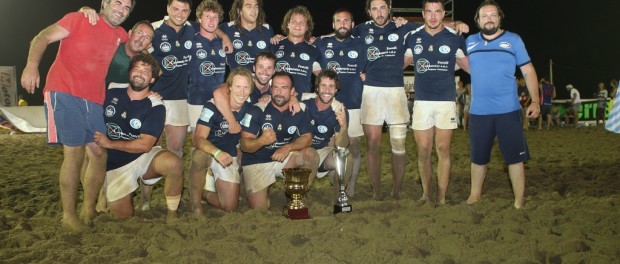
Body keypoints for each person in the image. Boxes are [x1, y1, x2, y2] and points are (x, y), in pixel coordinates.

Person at [20, 0, 134, 232]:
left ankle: (89, 208)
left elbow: (142, 39)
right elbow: (42, 37)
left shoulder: (121, 34)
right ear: (105, 3)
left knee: (99, 152)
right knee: (74, 153)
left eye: (127, 7)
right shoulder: (79, 19)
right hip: (64, 92)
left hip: (94, 99)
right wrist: (31, 65)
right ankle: (69, 216)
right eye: (117, 3)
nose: (121, 9)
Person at [353, 0, 469, 200]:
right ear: (368, 11)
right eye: (374, 8)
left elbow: (434, 24)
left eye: (383, 8)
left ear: (389, 10)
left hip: (397, 91)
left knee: (400, 145)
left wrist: (457, 23)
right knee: (373, 143)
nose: (379, 12)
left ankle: (397, 191)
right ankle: (377, 192)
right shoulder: (361, 29)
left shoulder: (405, 28)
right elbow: (341, 40)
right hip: (371, 91)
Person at [465, 0, 539, 209]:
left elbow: (528, 71)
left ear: (499, 17)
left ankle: (518, 200)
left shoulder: (514, 40)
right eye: (484, 15)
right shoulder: (470, 42)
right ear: (478, 20)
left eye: (493, 15)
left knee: (515, 159)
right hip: (479, 113)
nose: (489, 19)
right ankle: (475, 195)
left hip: (509, 111)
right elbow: (455, 61)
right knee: (478, 158)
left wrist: (535, 100)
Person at [94, 53, 182, 222]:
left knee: (174, 163)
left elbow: (145, 145)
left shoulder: (156, 106)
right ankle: (104, 192)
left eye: (146, 71)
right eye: (137, 69)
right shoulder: (110, 89)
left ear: (152, 80)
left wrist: (109, 143)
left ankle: (172, 215)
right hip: (115, 165)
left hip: (142, 157)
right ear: (129, 73)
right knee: (124, 217)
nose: (140, 73)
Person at [403, 0, 470, 205]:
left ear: (443, 14)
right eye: (429, 12)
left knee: (443, 149)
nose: (433, 16)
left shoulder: (454, 39)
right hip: (422, 102)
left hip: (445, 102)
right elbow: (399, 64)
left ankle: (441, 196)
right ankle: (425, 193)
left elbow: (469, 67)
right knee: (423, 150)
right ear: (423, 14)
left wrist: (497, 76)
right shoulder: (412, 37)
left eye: (437, 11)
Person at [240, 71, 318, 209]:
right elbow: (244, 145)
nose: (279, 92)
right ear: (270, 89)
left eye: (284, 88)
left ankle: (297, 196)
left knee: (310, 155)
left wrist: (288, 147)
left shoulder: (299, 109)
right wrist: (261, 141)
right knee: (260, 210)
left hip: (284, 158)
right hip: (257, 161)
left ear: (292, 91)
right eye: (275, 87)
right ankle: (247, 184)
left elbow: (308, 138)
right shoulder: (257, 109)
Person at [311, 8, 366, 196]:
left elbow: (374, 65)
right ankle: (332, 177)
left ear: (352, 24)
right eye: (338, 21)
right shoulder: (321, 42)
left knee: (354, 146)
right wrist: (323, 77)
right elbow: (310, 60)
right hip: (327, 102)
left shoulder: (361, 44)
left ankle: (350, 186)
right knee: (329, 142)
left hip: (354, 102)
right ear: (333, 25)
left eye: (346, 21)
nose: (342, 24)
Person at [189, 67, 254, 215]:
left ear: (250, 90)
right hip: (211, 151)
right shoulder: (212, 106)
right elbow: (198, 139)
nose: (241, 92)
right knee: (199, 155)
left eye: (246, 87)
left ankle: (205, 193)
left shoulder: (250, 109)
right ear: (229, 88)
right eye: (238, 86)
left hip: (229, 156)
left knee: (230, 207)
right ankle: (195, 203)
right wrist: (216, 152)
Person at [150, 0, 195, 158]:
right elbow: (136, 55)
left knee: (176, 150)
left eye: (184, 10)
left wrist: (224, 37)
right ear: (168, 7)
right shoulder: (154, 29)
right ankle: (146, 183)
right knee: (151, 151)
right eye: (175, 9)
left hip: (179, 98)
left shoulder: (193, 29)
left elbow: (216, 29)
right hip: (154, 97)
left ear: (190, 12)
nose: (179, 14)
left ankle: (174, 183)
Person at [303, 70, 352, 201]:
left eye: (331, 86)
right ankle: (300, 196)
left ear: (336, 90)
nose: (327, 90)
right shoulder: (303, 102)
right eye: (323, 85)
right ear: (317, 87)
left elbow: (341, 145)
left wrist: (343, 128)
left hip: (321, 152)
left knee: (345, 157)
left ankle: (339, 200)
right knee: (309, 154)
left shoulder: (339, 110)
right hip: (299, 152)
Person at [187, 0, 227, 132]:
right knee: (198, 143)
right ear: (199, 18)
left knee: (218, 141)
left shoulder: (224, 43)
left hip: (219, 102)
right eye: (207, 16)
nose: (211, 21)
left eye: (215, 17)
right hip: (196, 101)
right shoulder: (190, 39)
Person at [271, 6, 321, 97]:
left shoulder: (314, 50)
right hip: (278, 100)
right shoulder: (275, 45)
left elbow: (322, 76)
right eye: (294, 22)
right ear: (288, 24)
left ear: (307, 27)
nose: (297, 25)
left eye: (301, 23)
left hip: (303, 103)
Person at [219, 0, 274, 71]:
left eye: (256, 7)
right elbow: (209, 29)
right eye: (249, 7)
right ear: (239, 11)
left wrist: (279, 39)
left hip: (260, 80)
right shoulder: (228, 28)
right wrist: (224, 36)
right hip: (236, 79)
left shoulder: (267, 29)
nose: (253, 10)